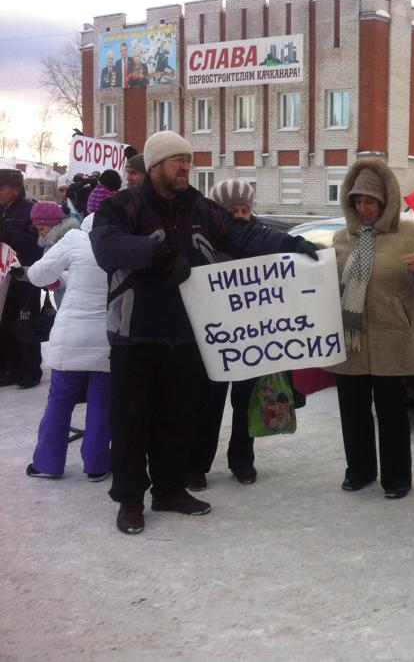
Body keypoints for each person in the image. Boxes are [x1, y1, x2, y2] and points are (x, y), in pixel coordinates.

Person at [90, 131, 319, 535]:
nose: (185, 167)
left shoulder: (200, 207)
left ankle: (169, 490)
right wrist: (159, 255)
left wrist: (290, 243)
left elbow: (243, 235)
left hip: (189, 333)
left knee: (177, 419)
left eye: (189, 161)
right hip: (135, 335)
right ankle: (129, 500)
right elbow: (107, 248)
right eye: (177, 160)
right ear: (155, 165)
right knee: (131, 422)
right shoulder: (121, 206)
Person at [325, 158, 414, 500]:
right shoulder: (340, 238)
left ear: (386, 200)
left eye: (371, 201)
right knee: (353, 413)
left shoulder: (410, 233)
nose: (364, 208)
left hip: (391, 338)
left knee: (392, 414)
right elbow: (322, 285)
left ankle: (397, 478)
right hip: (350, 341)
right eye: (358, 201)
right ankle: (360, 471)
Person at [24, 187, 114, 481]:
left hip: (72, 334)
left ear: (88, 211)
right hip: (107, 335)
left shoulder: (75, 239)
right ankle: (98, 465)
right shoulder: (121, 242)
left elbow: (38, 274)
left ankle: (47, 463)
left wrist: (60, 277)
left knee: (60, 399)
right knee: (102, 401)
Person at [186, 180, 263, 490]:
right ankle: (196, 465)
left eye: (245, 209)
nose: (240, 216)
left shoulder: (261, 241)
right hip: (214, 339)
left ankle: (242, 460)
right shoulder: (203, 244)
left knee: (246, 402)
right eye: (233, 211)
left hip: (253, 337)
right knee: (208, 405)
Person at [0, 168, 43, 389]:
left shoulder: (30, 210)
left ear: (16, 189)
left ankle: (30, 371)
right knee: (5, 323)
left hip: (25, 276)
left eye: (2, 187)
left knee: (26, 321)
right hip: (3, 277)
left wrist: (10, 235)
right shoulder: (2, 209)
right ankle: (10, 368)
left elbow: (37, 242)